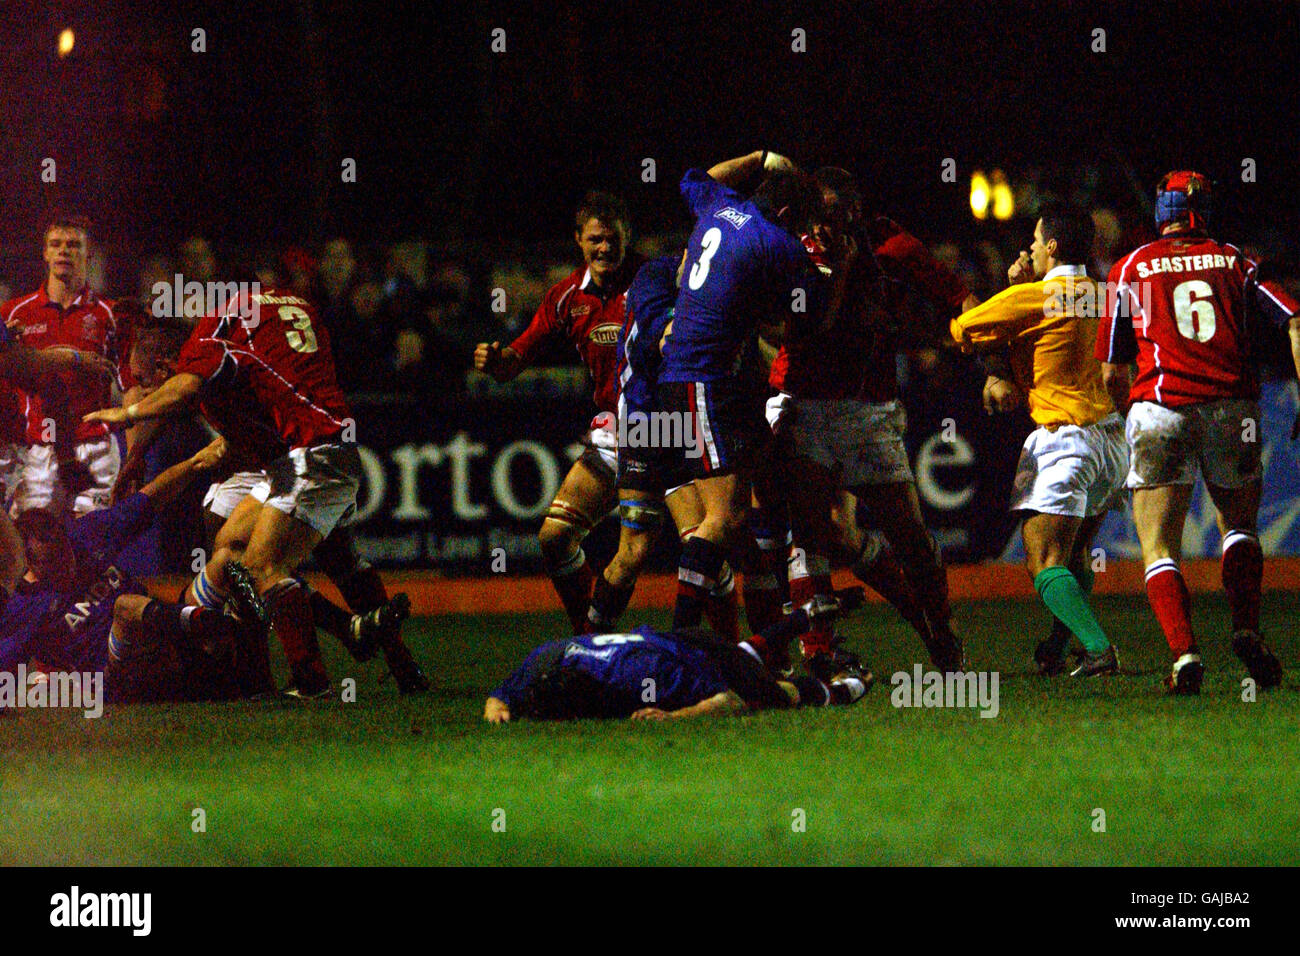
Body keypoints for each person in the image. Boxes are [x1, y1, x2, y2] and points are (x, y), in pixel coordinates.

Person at [85, 284, 362, 697]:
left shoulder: (204, 364)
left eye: (145, 383)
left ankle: (299, 667)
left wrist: (128, 416)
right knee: (233, 550)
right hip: (286, 461)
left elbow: (184, 395)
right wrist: (136, 454)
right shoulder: (205, 366)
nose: (142, 390)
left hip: (292, 460)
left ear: (165, 369)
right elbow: (184, 399)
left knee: (250, 562)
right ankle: (345, 640)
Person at [1097, 171, 1300, 693]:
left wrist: (1127, 415)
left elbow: (1111, 372)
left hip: (1160, 407)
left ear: (1159, 214)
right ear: (1203, 211)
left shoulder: (1131, 266)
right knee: (1240, 527)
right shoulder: (1236, 260)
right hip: (1233, 408)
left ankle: (1185, 654)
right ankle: (1246, 627)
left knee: (1159, 546)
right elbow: (1295, 320)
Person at [766, 167, 975, 675]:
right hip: (803, 404)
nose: (821, 227)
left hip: (868, 412)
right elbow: (804, 325)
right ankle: (816, 651)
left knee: (910, 540)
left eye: (833, 215)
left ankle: (937, 632)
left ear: (857, 212)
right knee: (811, 531)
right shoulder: (794, 250)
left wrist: (983, 357)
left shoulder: (895, 249)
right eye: (815, 217)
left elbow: (960, 299)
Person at [657, 151, 841, 642]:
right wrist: (832, 268)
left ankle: (769, 640)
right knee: (726, 516)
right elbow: (815, 320)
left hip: (695, 378)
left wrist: (761, 157)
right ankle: (678, 641)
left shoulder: (718, 205)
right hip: (704, 381)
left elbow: (695, 174)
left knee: (766, 490)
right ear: (787, 217)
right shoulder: (777, 242)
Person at [952, 204, 1127, 677]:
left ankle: (1098, 650)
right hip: (1112, 443)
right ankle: (1057, 645)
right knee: (1070, 554)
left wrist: (1014, 289)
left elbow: (963, 329)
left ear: (1050, 247)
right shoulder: (1107, 293)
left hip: (1065, 440)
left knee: (1041, 559)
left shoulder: (1036, 296)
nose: (1027, 250)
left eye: (1033, 241)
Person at [474, 192, 641, 633]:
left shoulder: (656, 281)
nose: (604, 248)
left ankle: (745, 657)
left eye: (613, 239)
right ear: (578, 241)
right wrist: (496, 361)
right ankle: (589, 640)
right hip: (615, 433)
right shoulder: (566, 297)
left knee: (706, 541)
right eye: (595, 239)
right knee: (554, 538)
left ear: (628, 239)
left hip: (670, 431)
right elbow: (517, 358)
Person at [0, 438, 273, 705]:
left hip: (161, 633)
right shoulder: (24, 607)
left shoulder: (87, 535)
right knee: (125, 607)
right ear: (31, 565)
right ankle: (219, 627)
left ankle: (257, 673)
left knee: (228, 560)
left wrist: (195, 461)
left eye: (66, 555)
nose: (67, 568)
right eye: (54, 566)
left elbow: (150, 499)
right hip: (117, 678)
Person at [587, 252, 739, 639]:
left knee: (706, 546)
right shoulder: (654, 277)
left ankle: (730, 653)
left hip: (687, 413)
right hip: (647, 419)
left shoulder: (719, 280)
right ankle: (583, 647)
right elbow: (667, 340)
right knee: (633, 551)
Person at [484, 593, 871, 722]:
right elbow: (500, 697)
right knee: (742, 657)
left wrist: (674, 716)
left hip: (699, 653)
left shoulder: (639, 677)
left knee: (774, 695)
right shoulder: (546, 660)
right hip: (674, 640)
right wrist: (498, 707)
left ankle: (849, 684)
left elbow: (727, 701)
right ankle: (804, 615)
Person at [2, 215, 128, 515]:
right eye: (55, 244)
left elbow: (131, 388)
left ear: (88, 253)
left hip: (95, 445)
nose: (63, 252)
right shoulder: (15, 313)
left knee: (90, 545)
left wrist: (134, 457)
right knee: (36, 549)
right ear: (45, 253)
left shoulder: (110, 316)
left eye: (73, 245)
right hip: (39, 448)